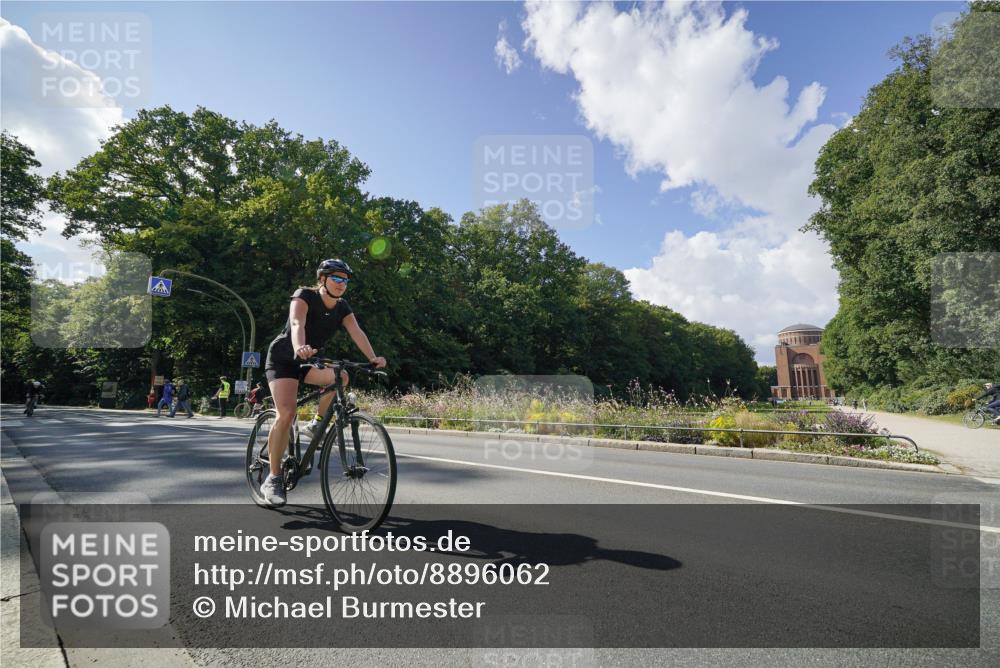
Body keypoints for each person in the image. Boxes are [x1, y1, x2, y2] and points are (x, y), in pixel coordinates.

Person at [260, 258, 386, 507]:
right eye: (336, 278)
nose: (342, 283)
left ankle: (317, 424)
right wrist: (300, 347)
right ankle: (273, 479)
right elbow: (297, 323)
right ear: (322, 279)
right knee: (286, 413)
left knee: (342, 376)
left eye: (345, 280)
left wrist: (372, 358)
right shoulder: (304, 295)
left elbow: (357, 332)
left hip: (311, 361)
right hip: (285, 357)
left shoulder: (342, 307)